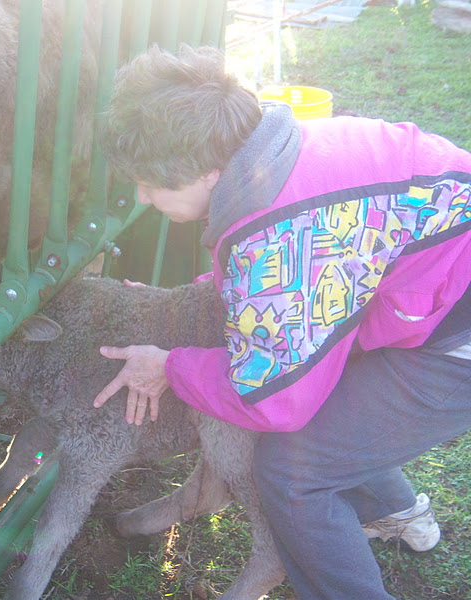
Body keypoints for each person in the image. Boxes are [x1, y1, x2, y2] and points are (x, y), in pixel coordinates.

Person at [93, 43, 471, 600]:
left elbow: (275, 399)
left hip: (455, 330)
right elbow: (285, 274)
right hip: (434, 283)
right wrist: (189, 297)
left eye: (153, 183)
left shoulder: (281, 233)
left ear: (208, 171)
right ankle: (394, 510)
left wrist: (169, 367)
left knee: (295, 471)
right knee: (335, 387)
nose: (143, 197)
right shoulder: (273, 151)